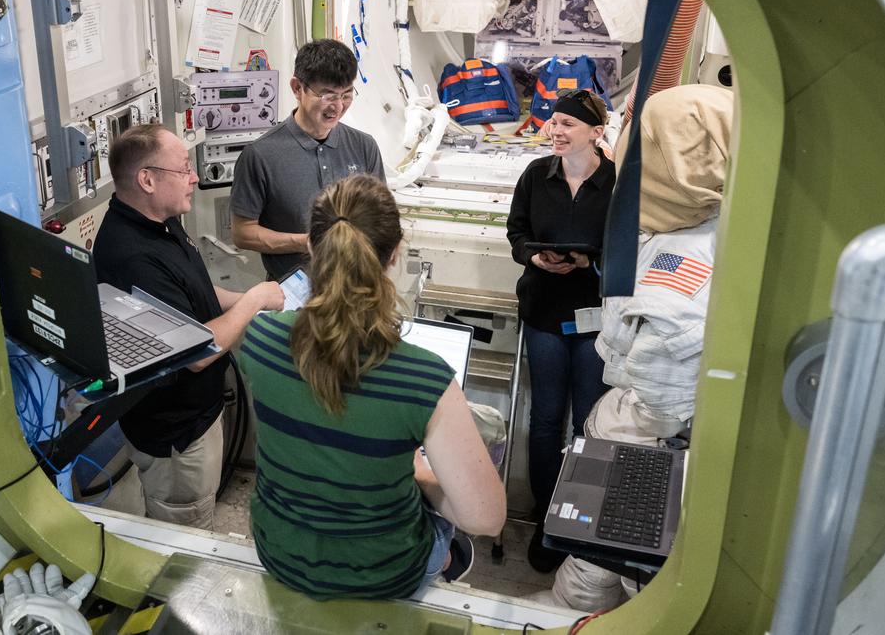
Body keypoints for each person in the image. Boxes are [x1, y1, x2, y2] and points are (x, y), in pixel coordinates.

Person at [236, 175, 506, 600]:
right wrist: (417, 470)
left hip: (279, 553)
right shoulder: (425, 378)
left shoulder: (261, 338)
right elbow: (486, 518)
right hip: (382, 574)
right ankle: (446, 558)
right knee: (458, 493)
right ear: (394, 254)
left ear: (312, 247)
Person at [547, 84, 733, 612]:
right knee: (596, 569)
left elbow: (662, 406)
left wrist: (614, 412)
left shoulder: (679, 272)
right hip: (655, 444)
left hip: (646, 450)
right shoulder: (712, 223)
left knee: (614, 578)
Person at [92, 123, 284, 529]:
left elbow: (195, 291)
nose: (194, 177)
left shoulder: (160, 221)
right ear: (147, 180)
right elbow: (195, 354)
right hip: (177, 436)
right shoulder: (132, 256)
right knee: (187, 530)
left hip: (199, 414)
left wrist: (256, 300)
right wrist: (254, 300)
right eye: (183, 169)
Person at [506, 88, 615, 572]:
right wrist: (535, 258)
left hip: (595, 316)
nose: (555, 129)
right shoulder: (536, 175)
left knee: (587, 422)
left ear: (596, 133)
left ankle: (580, 519)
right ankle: (547, 520)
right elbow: (517, 233)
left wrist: (591, 261)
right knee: (546, 419)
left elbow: (630, 245)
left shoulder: (616, 182)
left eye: (567, 124)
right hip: (544, 311)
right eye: (553, 121)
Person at [231, 38, 385, 280]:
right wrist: (305, 243)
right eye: (327, 95)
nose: (338, 106)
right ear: (297, 88)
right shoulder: (260, 155)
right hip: (291, 291)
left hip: (355, 286)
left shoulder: (364, 146)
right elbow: (242, 233)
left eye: (346, 95)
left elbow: (380, 218)